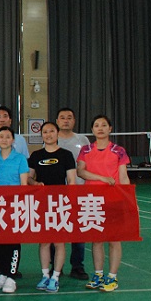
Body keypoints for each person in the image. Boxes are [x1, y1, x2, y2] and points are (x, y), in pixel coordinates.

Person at [77, 115, 130, 292]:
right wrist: (102, 178)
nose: (100, 128)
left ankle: (112, 277)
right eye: (96, 125)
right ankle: (98, 275)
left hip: (113, 199)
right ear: (92, 130)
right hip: (92, 200)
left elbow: (123, 177)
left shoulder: (118, 151)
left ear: (110, 129)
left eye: (104, 125)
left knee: (114, 240)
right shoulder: (85, 150)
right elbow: (81, 172)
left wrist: (129, 199)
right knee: (97, 240)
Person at [28, 121, 77, 293]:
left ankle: (55, 277)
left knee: (59, 242)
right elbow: (29, 178)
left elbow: (71, 180)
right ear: (41, 135)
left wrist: (69, 201)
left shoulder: (66, 155)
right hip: (42, 204)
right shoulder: (36, 155)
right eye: (45, 132)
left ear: (57, 134)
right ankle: (45, 275)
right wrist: (35, 183)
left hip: (60, 204)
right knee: (44, 242)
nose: (48, 135)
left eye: (51, 131)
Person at [0, 126, 29, 294]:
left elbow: (24, 184)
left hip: (14, 206)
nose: (4, 139)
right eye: (1, 136)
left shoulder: (20, 159)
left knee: (13, 242)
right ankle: (3, 274)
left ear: (13, 140)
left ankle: (11, 276)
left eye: (8, 136)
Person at [56, 107, 90, 280]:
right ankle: (57, 266)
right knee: (56, 230)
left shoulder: (82, 140)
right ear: (57, 121)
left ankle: (77, 266)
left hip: (79, 191)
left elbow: (88, 164)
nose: (66, 120)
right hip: (57, 193)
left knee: (78, 231)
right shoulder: (52, 138)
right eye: (62, 117)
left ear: (74, 121)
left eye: (69, 117)